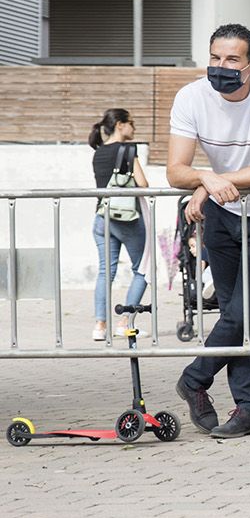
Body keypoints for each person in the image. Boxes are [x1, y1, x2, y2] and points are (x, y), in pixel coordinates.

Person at [167, 23, 250, 439]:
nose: (220, 67)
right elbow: (176, 170)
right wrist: (207, 181)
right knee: (234, 316)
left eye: (232, 60)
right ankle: (249, 408)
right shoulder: (190, 97)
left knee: (242, 311)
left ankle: (193, 379)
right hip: (223, 215)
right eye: (215, 58)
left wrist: (216, 183)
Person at [87, 108, 150, 342]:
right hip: (126, 219)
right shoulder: (128, 150)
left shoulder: (98, 153)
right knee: (143, 269)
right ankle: (125, 322)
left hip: (101, 217)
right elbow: (143, 184)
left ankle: (100, 326)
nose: (134, 128)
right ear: (120, 125)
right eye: (131, 123)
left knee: (105, 272)